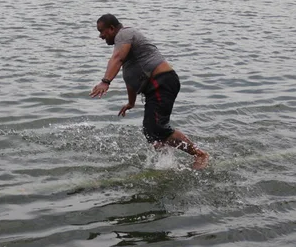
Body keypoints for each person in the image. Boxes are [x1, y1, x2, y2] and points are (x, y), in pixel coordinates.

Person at [90, 13, 210, 169]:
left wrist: (105, 81)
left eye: (102, 31)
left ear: (112, 28)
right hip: (157, 86)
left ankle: (200, 155)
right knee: (149, 130)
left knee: (157, 127)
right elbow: (129, 78)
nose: (100, 36)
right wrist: (131, 103)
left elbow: (117, 59)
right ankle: (165, 162)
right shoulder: (125, 48)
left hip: (162, 82)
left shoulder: (124, 34)